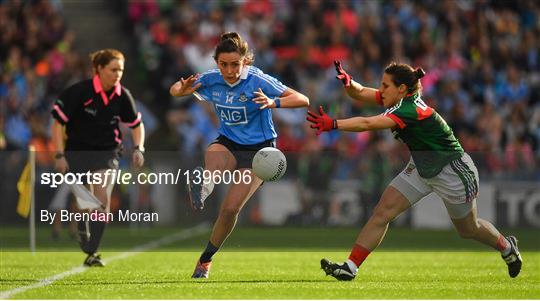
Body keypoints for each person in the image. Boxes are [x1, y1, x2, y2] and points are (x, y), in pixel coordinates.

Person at [306, 61, 522, 281]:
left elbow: (368, 123)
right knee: (382, 212)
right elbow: (361, 93)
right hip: (421, 166)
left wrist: (333, 124)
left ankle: (507, 247)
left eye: (385, 85)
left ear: (401, 89)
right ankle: (350, 267)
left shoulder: (408, 109)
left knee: (468, 230)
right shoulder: (399, 99)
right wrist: (349, 83)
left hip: (452, 171)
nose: (381, 90)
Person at [170, 32, 309, 278]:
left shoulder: (257, 80)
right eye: (223, 64)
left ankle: (205, 259)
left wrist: (272, 102)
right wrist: (181, 89)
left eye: (235, 64)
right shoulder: (211, 79)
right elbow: (176, 90)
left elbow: (302, 99)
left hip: (259, 152)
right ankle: (202, 187)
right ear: (217, 62)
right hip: (228, 143)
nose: (229, 70)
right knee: (213, 159)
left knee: (230, 209)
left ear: (245, 62)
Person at [51, 49, 145, 267]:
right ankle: (83, 226)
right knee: (86, 203)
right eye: (113, 69)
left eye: (120, 70)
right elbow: (57, 123)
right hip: (77, 153)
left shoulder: (123, 95)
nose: (117, 74)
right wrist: (59, 154)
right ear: (99, 69)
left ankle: (92, 251)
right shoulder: (79, 92)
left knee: (102, 200)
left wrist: (139, 148)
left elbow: (136, 125)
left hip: (108, 152)